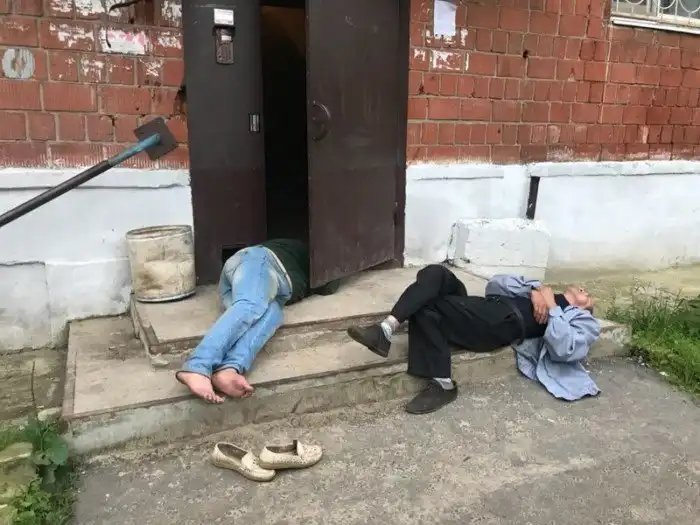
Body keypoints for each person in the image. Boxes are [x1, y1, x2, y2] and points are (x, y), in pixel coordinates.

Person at [347, 265, 600, 415]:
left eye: (588, 298)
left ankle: (437, 379)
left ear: (585, 309)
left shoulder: (582, 320)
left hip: (500, 324)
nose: (585, 291)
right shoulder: (543, 293)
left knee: (426, 307)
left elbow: (565, 348)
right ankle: (387, 327)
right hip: (482, 306)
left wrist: (553, 306)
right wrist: (534, 291)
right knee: (435, 273)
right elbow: (496, 284)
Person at [176, 239, 340, 403]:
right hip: (258, 262)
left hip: (270, 287)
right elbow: (330, 282)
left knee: (273, 315)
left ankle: (228, 369)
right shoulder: (309, 249)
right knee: (251, 305)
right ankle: (197, 365)